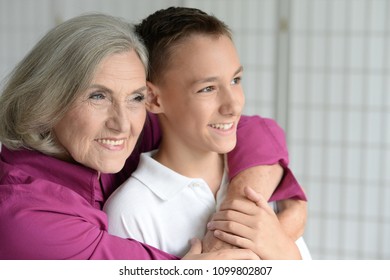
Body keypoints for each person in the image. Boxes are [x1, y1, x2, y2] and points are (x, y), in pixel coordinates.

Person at [0, 13, 305, 260]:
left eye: (135, 97)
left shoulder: (131, 127)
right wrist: (265, 245)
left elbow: (246, 127)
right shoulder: (26, 220)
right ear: (48, 99)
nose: (122, 125)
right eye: (97, 96)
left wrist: (244, 210)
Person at [104, 7, 310, 259]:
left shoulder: (259, 174)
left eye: (236, 80)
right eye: (208, 88)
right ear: (153, 98)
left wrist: (286, 254)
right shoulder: (131, 212)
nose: (233, 105)